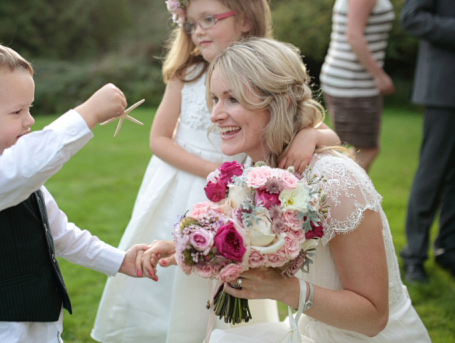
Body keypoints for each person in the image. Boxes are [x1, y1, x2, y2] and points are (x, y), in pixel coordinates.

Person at [91, 0, 341, 343]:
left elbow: (330, 136)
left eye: (210, 19)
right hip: (183, 186)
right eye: (191, 23)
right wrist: (213, 168)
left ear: (244, 18)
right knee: (170, 277)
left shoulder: (263, 74)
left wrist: (308, 136)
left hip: (240, 197)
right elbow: (159, 139)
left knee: (231, 277)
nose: (197, 30)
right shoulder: (187, 74)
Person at [142, 37, 431, 342]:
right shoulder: (259, 173)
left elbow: (374, 317)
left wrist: (287, 290)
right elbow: (238, 234)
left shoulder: (335, 179)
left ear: (279, 101)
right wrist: (185, 246)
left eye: (232, 99)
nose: (215, 115)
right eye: (214, 99)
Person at [0, 36, 152, 343]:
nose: (29, 121)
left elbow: (61, 235)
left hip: (40, 328)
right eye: (17, 112)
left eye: (30, 108)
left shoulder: (18, 176)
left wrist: (120, 260)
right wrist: (87, 114)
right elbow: (21, 167)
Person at [399, 0, 455, 285]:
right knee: (433, 174)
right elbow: (412, 16)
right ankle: (413, 255)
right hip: (445, 86)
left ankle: (449, 254)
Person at [319, 0, 397, 172]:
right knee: (366, 149)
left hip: (346, 80)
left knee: (353, 148)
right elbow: (354, 35)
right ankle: (340, 199)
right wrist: (379, 76)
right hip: (353, 84)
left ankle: (338, 198)